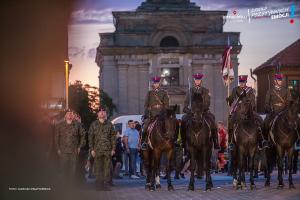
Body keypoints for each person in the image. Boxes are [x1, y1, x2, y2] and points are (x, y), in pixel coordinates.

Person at [227, 75, 265, 148]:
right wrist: (229, 100)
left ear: (246, 82)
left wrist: (249, 107)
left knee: (259, 120)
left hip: (249, 110)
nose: (241, 83)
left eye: (243, 82)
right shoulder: (235, 90)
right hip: (238, 111)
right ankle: (231, 141)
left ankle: (262, 140)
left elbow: (253, 101)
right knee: (231, 122)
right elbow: (231, 100)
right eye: (240, 82)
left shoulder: (250, 90)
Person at [182, 73, 220, 149]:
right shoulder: (190, 91)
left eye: (198, 80)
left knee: (212, 118)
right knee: (183, 119)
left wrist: (200, 110)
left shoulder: (205, 91)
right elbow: (185, 103)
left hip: (203, 111)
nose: (197, 81)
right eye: (196, 80)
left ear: (200, 80)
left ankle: (215, 141)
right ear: (194, 80)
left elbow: (207, 102)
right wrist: (187, 110)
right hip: (192, 113)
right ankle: (183, 142)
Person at [54, 109, 86, 185]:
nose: (70, 115)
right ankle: (62, 186)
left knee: (72, 170)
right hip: (63, 151)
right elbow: (56, 138)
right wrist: (58, 149)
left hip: (74, 151)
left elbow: (83, 135)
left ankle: (70, 187)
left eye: (71, 114)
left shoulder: (77, 125)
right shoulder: (59, 125)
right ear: (65, 115)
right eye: (68, 113)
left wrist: (79, 147)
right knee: (63, 169)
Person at [89, 107, 116, 191]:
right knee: (98, 167)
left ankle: (104, 185)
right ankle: (98, 185)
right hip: (97, 150)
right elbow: (90, 137)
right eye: (100, 112)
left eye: (103, 112)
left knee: (106, 168)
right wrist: (92, 149)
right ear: (97, 114)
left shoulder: (110, 124)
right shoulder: (94, 124)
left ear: (106, 114)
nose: (102, 113)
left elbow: (113, 137)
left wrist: (113, 149)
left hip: (107, 150)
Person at [141, 76, 169, 150]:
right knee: (145, 127)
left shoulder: (164, 93)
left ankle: (173, 141)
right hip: (152, 115)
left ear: (159, 83)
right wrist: (151, 108)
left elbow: (167, 105)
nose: (156, 84)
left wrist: (161, 107)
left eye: (157, 83)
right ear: (153, 84)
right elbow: (146, 105)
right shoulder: (149, 93)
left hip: (162, 115)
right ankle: (144, 142)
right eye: (155, 83)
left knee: (170, 125)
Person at [263, 74, 293, 142]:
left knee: (295, 123)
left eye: (281, 80)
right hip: (273, 112)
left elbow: (289, 102)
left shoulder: (286, 90)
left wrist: (286, 108)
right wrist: (270, 109)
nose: (280, 81)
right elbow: (266, 104)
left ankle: (297, 140)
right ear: (275, 81)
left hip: (284, 112)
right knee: (265, 123)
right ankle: (265, 141)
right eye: (279, 80)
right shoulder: (270, 91)